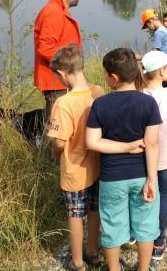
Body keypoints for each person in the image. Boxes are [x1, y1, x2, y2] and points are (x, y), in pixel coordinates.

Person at [86, 48, 162, 271]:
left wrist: (123, 147)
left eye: (106, 74)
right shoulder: (148, 103)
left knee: (112, 225)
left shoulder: (100, 105)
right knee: (145, 224)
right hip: (141, 175)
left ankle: (113, 269)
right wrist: (152, 179)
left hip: (112, 178)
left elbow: (93, 142)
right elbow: (153, 144)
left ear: (114, 78)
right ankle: (143, 268)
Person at [46, 44, 106, 271]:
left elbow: (60, 142)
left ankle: (78, 261)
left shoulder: (63, 103)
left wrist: (54, 152)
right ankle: (92, 251)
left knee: (74, 213)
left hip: (74, 170)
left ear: (62, 74)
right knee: (94, 208)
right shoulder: (98, 91)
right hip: (98, 165)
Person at [137, 51, 167, 262]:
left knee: (142, 193)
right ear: (161, 72)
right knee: (162, 194)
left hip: (141, 155)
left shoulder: (137, 96)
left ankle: (135, 234)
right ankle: (158, 240)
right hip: (165, 155)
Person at [34, 0, 84, 144]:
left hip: (62, 79)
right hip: (57, 81)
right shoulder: (53, 13)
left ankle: (56, 161)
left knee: (60, 124)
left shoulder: (57, 10)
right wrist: (70, 68)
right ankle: (49, 164)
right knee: (55, 126)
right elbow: (46, 48)